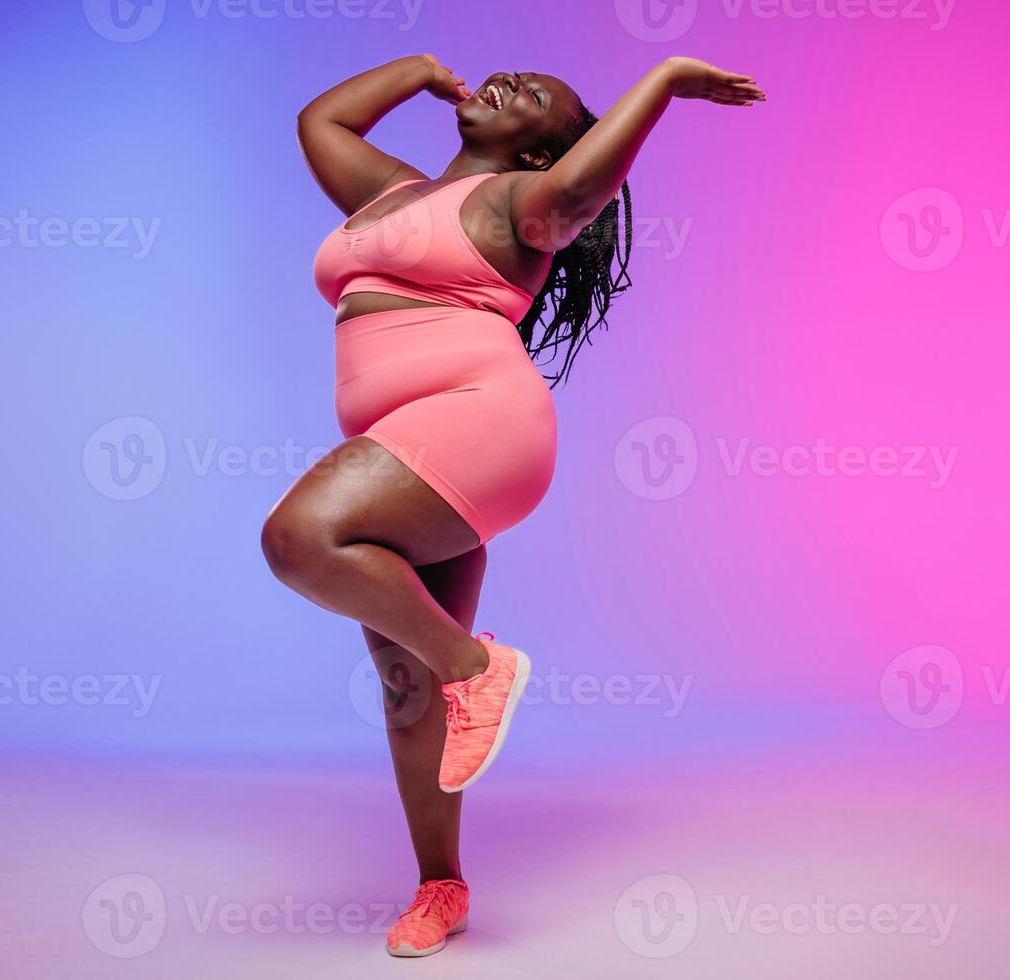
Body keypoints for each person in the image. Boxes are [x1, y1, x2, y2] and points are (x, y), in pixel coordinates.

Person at [262, 53, 765, 958]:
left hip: (477, 426)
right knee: (405, 680)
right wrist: (417, 71)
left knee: (300, 539)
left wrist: (662, 81)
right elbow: (319, 125)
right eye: (512, 77)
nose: (509, 85)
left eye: (534, 100)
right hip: (412, 436)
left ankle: (474, 666)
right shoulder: (392, 193)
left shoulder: (520, 207)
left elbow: (586, 182)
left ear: (538, 154)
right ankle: (440, 886)